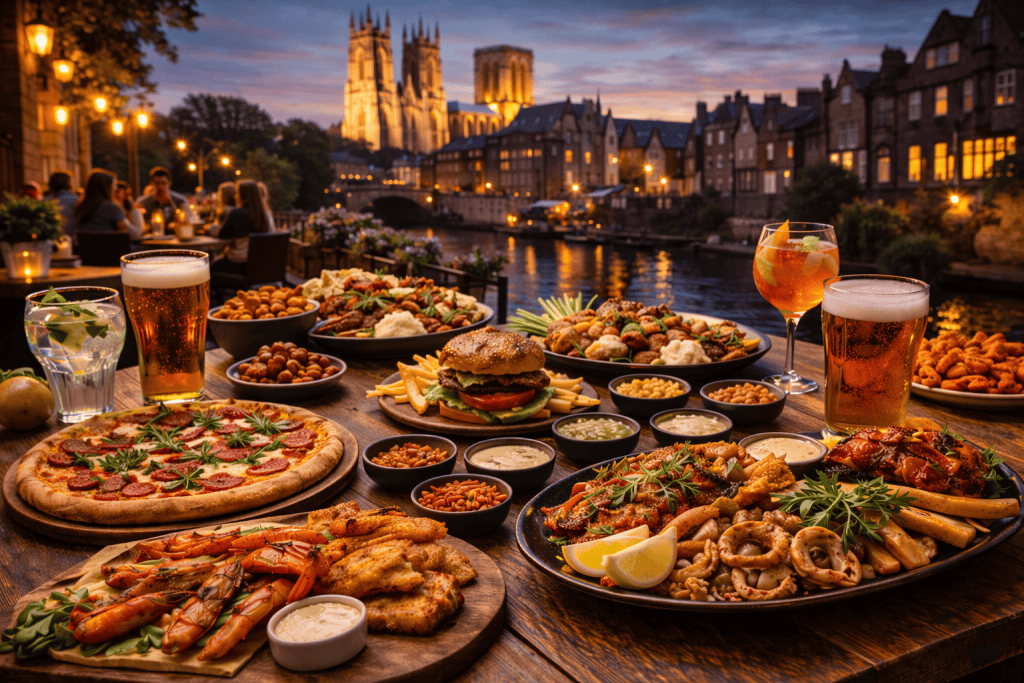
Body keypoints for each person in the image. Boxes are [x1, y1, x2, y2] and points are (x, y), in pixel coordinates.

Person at [213, 180, 271, 275]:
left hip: (238, 264)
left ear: (243, 196)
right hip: (257, 265)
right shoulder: (264, 214)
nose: (235, 196)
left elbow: (222, 235)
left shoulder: (236, 213)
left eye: (237, 193)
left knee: (209, 269)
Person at [75, 169, 135, 236]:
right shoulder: (111, 207)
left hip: (86, 246)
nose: (115, 189)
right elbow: (132, 232)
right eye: (114, 185)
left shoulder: (79, 206)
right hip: (109, 245)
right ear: (107, 187)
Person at [44, 172, 78, 243]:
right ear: (68, 183)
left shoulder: (44, 201)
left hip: (49, 244)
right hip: (72, 243)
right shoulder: (76, 200)